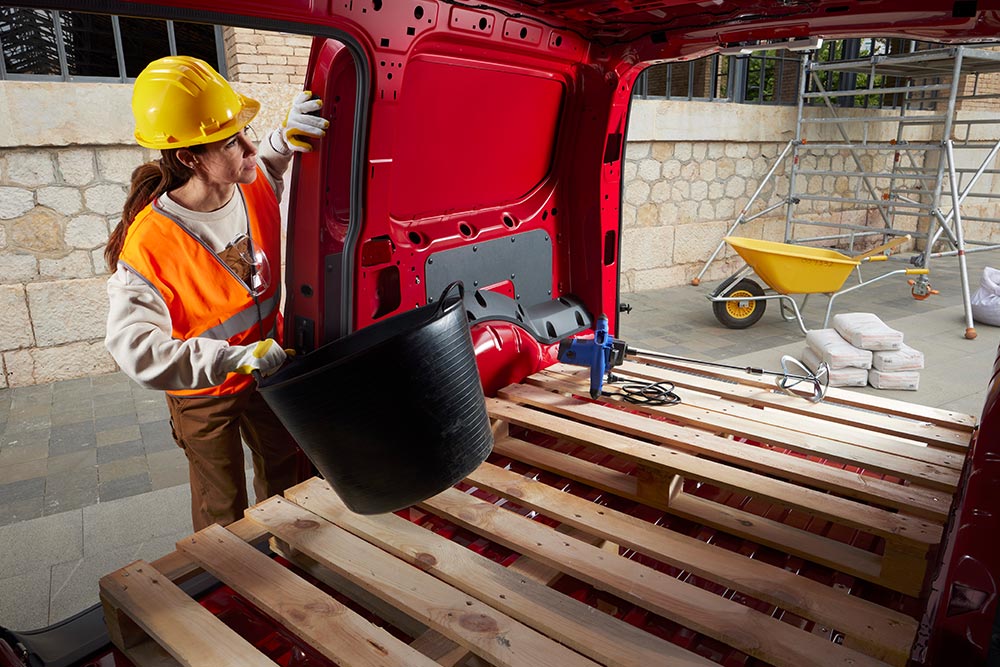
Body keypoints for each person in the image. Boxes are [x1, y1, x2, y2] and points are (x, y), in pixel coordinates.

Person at [104, 55, 328, 531]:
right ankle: (230, 592)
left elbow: (264, 163)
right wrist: (232, 358)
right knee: (221, 507)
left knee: (288, 476)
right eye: (232, 141)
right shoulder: (152, 240)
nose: (248, 148)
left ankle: (289, 562)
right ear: (189, 158)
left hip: (269, 369)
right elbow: (135, 351)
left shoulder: (250, 184)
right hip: (204, 390)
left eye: (247, 133)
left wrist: (285, 138)